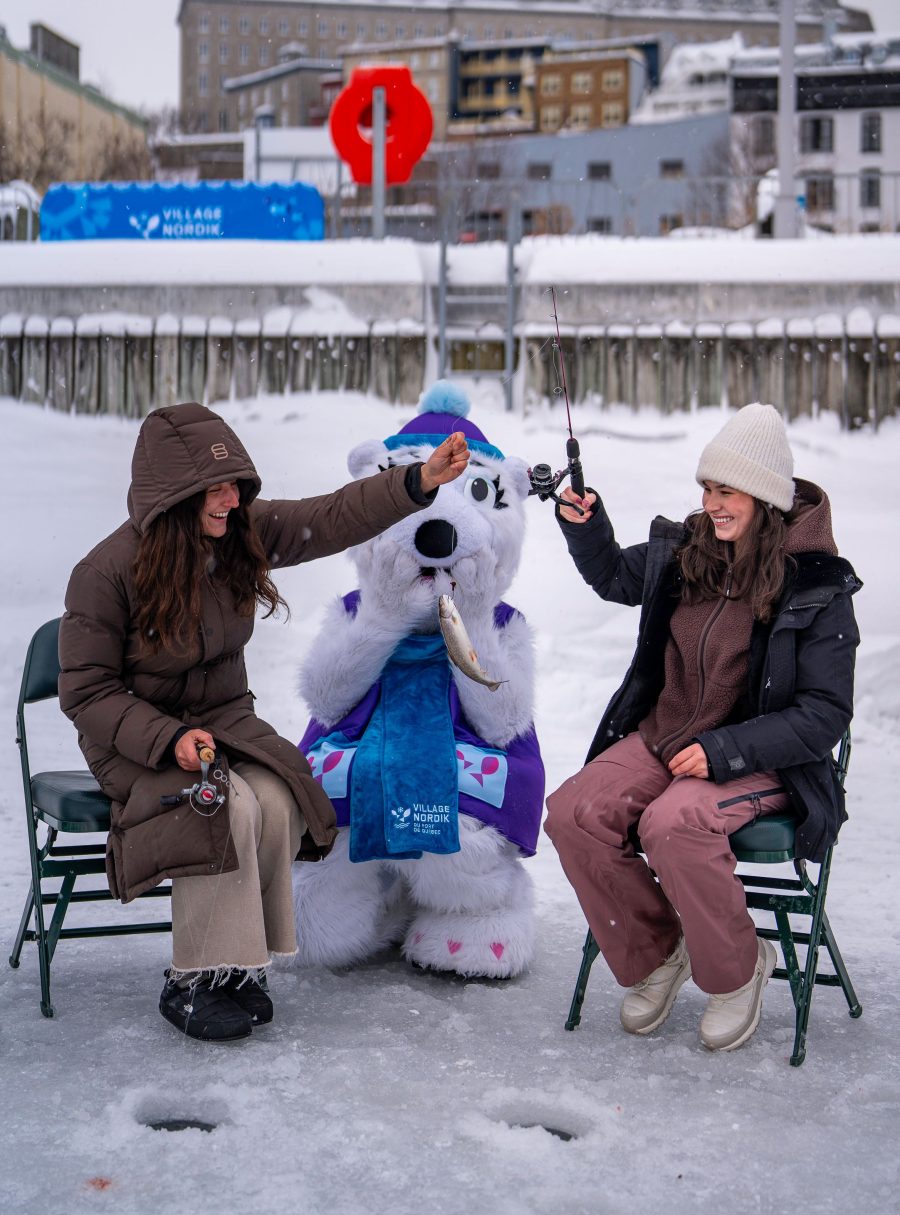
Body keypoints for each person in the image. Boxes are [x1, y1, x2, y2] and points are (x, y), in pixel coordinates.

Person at [58, 401, 469, 1042]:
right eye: (214, 489)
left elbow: (331, 516)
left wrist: (415, 484)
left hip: (224, 722)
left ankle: (244, 966)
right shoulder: (105, 573)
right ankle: (196, 977)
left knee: (276, 799)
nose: (229, 500)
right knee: (222, 806)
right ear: (173, 495)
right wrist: (167, 738)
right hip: (136, 741)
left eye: (236, 486)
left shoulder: (239, 534)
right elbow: (87, 692)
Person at [544, 403, 860, 1052]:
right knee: (573, 812)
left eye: (727, 490)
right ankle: (659, 954)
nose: (713, 504)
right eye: (707, 488)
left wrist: (724, 749)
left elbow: (824, 715)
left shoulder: (818, 585)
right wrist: (586, 524)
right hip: (667, 737)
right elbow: (611, 576)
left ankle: (737, 973)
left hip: (761, 759)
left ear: (765, 496)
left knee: (674, 824)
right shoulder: (690, 553)